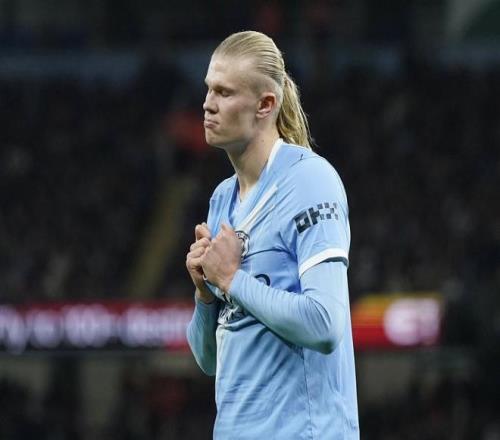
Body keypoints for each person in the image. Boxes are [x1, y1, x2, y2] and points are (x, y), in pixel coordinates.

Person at [186, 31, 359, 439]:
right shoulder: (222, 199)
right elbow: (208, 360)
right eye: (209, 89)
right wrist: (205, 294)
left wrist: (232, 279)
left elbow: (324, 324)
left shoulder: (309, 181)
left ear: (265, 104)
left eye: (224, 92)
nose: (208, 103)